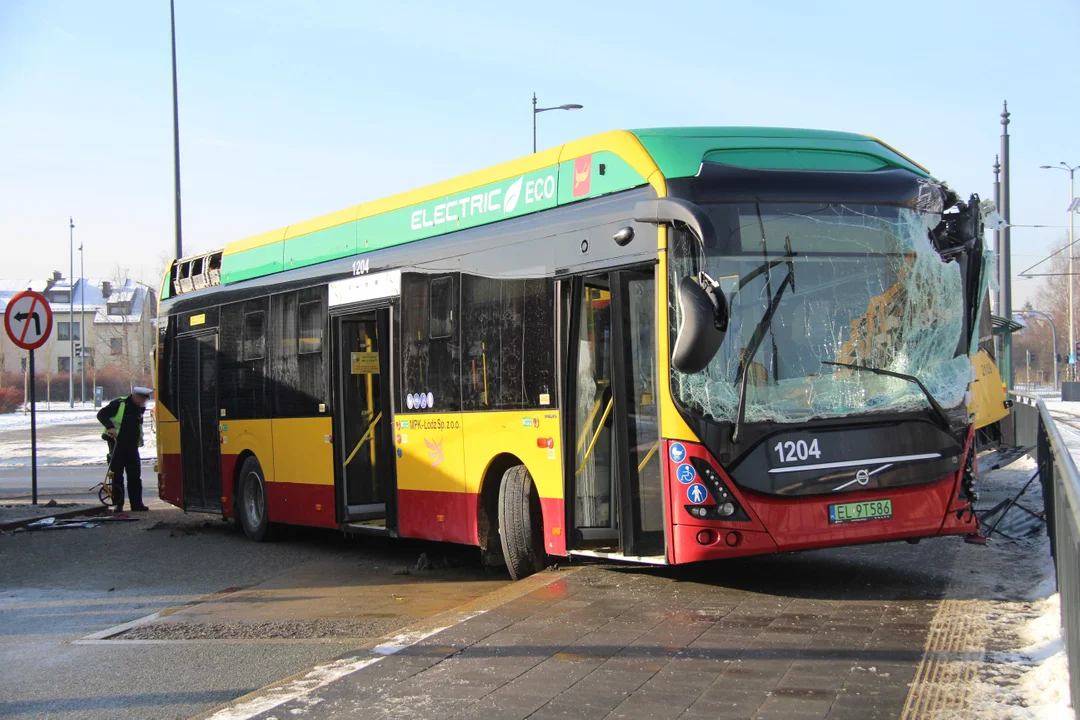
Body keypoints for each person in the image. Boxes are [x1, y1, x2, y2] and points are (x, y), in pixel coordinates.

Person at [97, 387, 152, 512]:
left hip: (132, 446)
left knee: (135, 476)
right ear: (136, 397)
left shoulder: (139, 408)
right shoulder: (119, 404)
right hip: (116, 444)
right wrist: (110, 427)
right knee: (117, 476)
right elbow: (101, 415)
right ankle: (118, 504)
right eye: (143, 400)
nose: (144, 403)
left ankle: (137, 505)